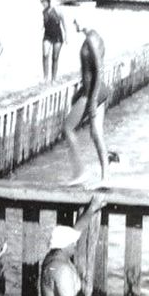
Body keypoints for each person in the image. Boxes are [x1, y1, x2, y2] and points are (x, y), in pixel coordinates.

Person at [40, 193, 107, 296]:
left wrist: (93, 207)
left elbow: (77, 230)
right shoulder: (62, 269)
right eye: (73, 243)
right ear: (65, 246)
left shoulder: (53, 255)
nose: (75, 245)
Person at [62, 19, 110, 186]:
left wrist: (92, 99)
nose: (74, 24)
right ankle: (106, 178)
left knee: (67, 128)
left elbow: (99, 69)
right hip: (94, 90)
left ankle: (80, 172)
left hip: (93, 92)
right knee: (96, 133)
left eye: (75, 20)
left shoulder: (91, 39)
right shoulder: (94, 37)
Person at [41, 0, 68, 82]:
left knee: (55, 57)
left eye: (45, 2)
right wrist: (42, 26)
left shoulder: (57, 10)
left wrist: (66, 35)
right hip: (47, 35)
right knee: (45, 55)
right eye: (42, 2)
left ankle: (54, 79)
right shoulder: (44, 11)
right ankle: (45, 78)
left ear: (49, 2)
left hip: (57, 36)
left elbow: (64, 23)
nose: (43, 4)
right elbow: (45, 22)